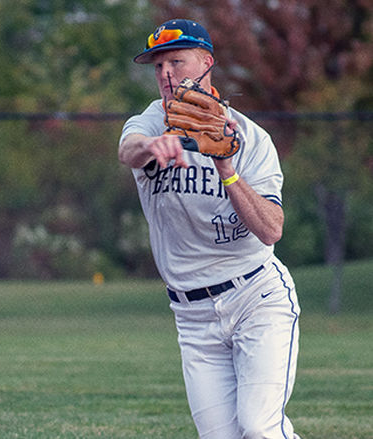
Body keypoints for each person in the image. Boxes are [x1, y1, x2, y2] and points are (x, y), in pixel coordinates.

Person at [117, 19, 301, 439]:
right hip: (192, 316)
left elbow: (272, 230)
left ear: (206, 62)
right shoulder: (151, 122)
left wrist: (227, 168)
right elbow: (126, 150)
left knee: (258, 427)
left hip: (256, 298)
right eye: (157, 65)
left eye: (176, 61)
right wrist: (151, 146)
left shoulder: (251, 140)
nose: (165, 74)